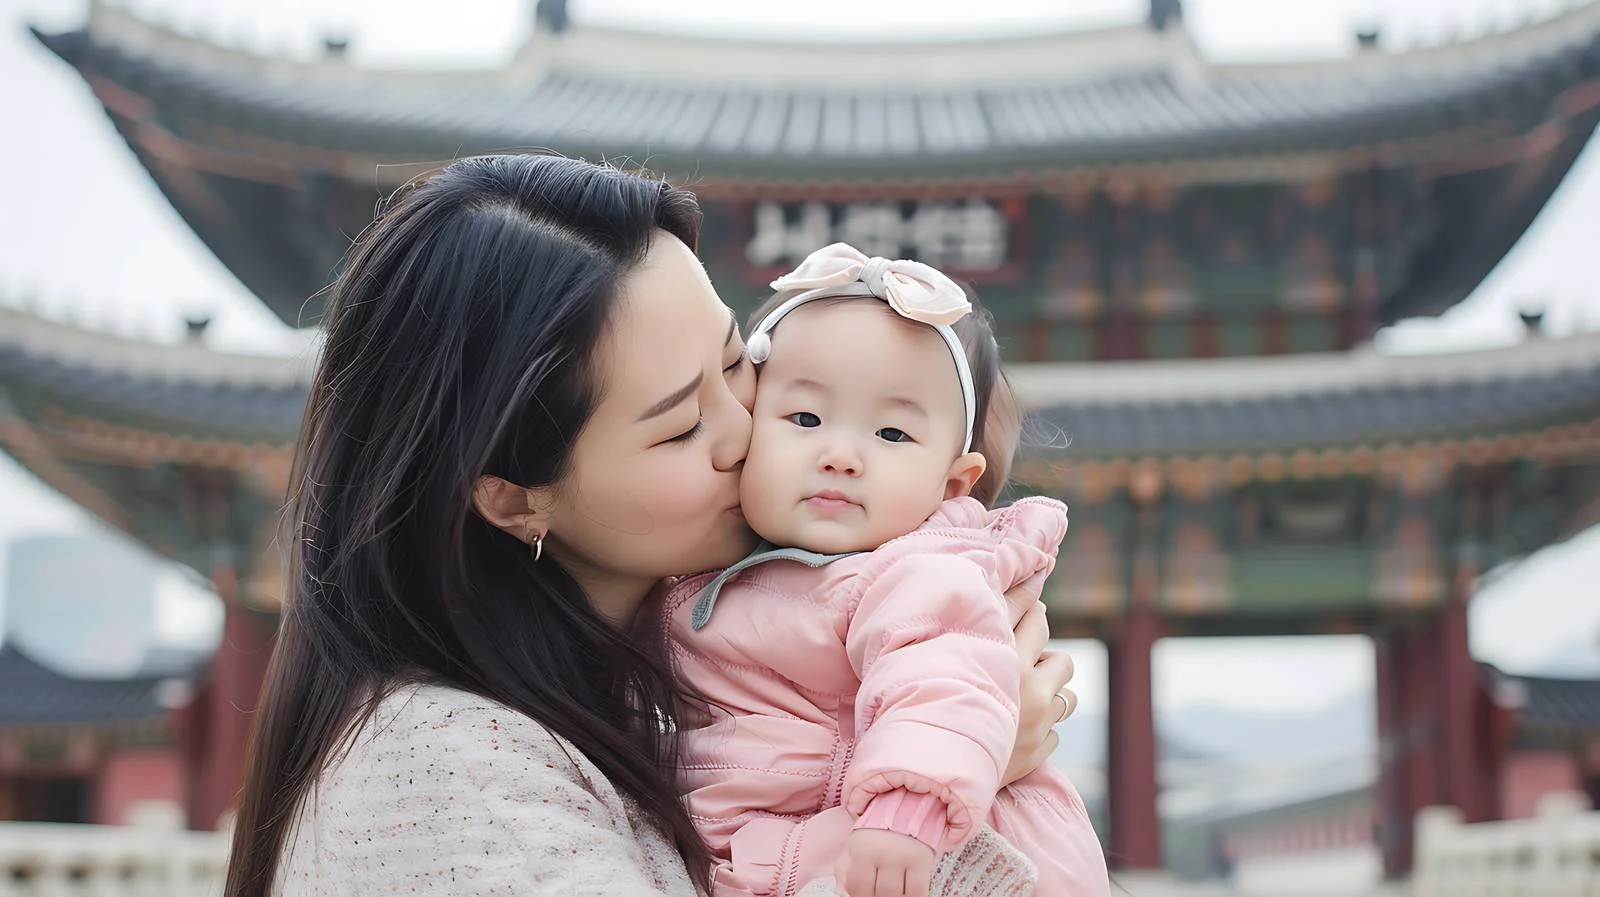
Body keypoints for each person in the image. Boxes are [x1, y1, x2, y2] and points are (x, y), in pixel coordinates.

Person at [220, 154, 1080, 896]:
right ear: (517, 495)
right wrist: (958, 795)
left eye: (740, 362)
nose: (749, 430)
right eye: (680, 426)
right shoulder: (448, 777)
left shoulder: (648, 689)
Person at [660, 244, 1110, 897]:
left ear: (953, 481)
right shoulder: (711, 577)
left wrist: (908, 807)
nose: (841, 454)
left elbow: (946, 686)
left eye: (892, 434)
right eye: (805, 418)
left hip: (927, 843)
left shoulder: (915, 574)